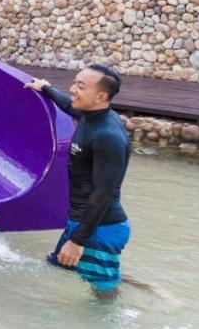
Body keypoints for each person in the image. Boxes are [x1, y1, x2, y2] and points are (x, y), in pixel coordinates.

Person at [24, 64, 131, 297]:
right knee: (57, 266)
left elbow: (103, 193)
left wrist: (78, 241)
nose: (73, 89)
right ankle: (115, 273)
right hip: (83, 223)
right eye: (74, 83)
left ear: (101, 96)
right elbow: (66, 103)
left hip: (100, 228)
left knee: (104, 297)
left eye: (80, 86)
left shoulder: (108, 137)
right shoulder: (90, 114)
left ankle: (108, 326)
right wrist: (45, 88)